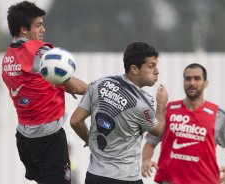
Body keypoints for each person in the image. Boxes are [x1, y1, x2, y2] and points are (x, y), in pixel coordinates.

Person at [1, 1, 88, 184]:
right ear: (24, 29)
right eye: (38, 25)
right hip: (48, 138)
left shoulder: (9, 55)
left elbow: (33, 82)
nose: (43, 30)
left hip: (24, 138)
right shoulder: (40, 53)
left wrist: (60, 84)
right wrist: (97, 89)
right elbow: (74, 86)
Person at [70, 42, 168, 184]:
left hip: (95, 175)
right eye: (151, 66)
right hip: (126, 178)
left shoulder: (100, 83)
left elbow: (75, 121)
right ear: (134, 69)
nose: (157, 71)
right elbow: (157, 130)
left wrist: (88, 140)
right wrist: (161, 105)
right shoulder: (143, 103)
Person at [141, 63, 225, 184]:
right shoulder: (169, 111)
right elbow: (150, 143)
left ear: (206, 83)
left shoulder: (218, 115)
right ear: (183, 82)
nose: (192, 82)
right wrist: (146, 160)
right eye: (188, 78)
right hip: (170, 180)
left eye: (197, 78)